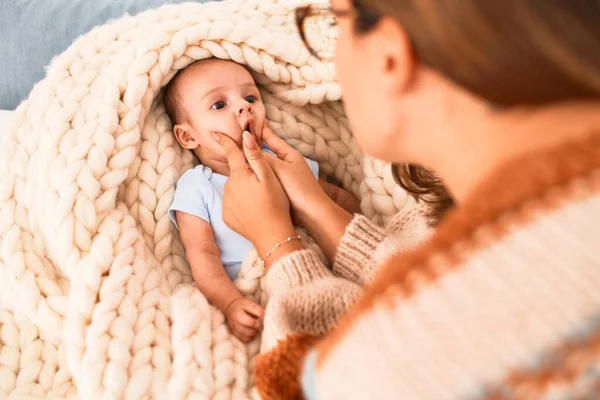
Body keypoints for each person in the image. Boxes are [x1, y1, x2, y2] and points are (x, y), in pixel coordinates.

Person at [212, 0, 600, 398]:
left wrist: (279, 244)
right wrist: (315, 208)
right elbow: (461, 301)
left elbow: (306, 382)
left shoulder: (399, 360)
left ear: (389, 57)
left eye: (334, 22)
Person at [163, 58, 360, 343]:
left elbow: (336, 200)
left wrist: (359, 219)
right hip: (256, 296)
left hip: (323, 278)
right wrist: (230, 304)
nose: (244, 107)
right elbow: (202, 258)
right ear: (187, 136)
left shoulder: (284, 164)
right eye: (219, 105)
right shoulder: (198, 186)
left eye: (250, 97)